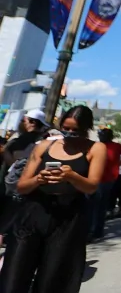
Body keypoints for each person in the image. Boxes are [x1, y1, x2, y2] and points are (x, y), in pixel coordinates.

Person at [0, 105, 107, 293]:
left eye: (76, 130)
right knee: (14, 273)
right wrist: (38, 179)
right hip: (33, 212)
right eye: (66, 128)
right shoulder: (45, 145)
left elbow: (91, 186)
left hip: (68, 217)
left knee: (53, 277)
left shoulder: (96, 149)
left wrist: (71, 176)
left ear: (87, 128)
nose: (70, 133)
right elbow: (22, 186)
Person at [0, 110, 52, 262]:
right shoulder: (44, 140)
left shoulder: (23, 140)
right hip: (31, 188)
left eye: (24, 120)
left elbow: (14, 163)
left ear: (32, 122)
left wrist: (5, 152)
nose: (21, 123)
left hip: (14, 187)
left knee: (5, 224)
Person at [91, 128, 121, 238]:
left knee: (95, 205)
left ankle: (93, 230)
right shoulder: (116, 146)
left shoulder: (100, 145)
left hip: (101, 178)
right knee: (101, 205)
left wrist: (118, 163)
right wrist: (118, 163)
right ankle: (98, 230)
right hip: (109, 178)